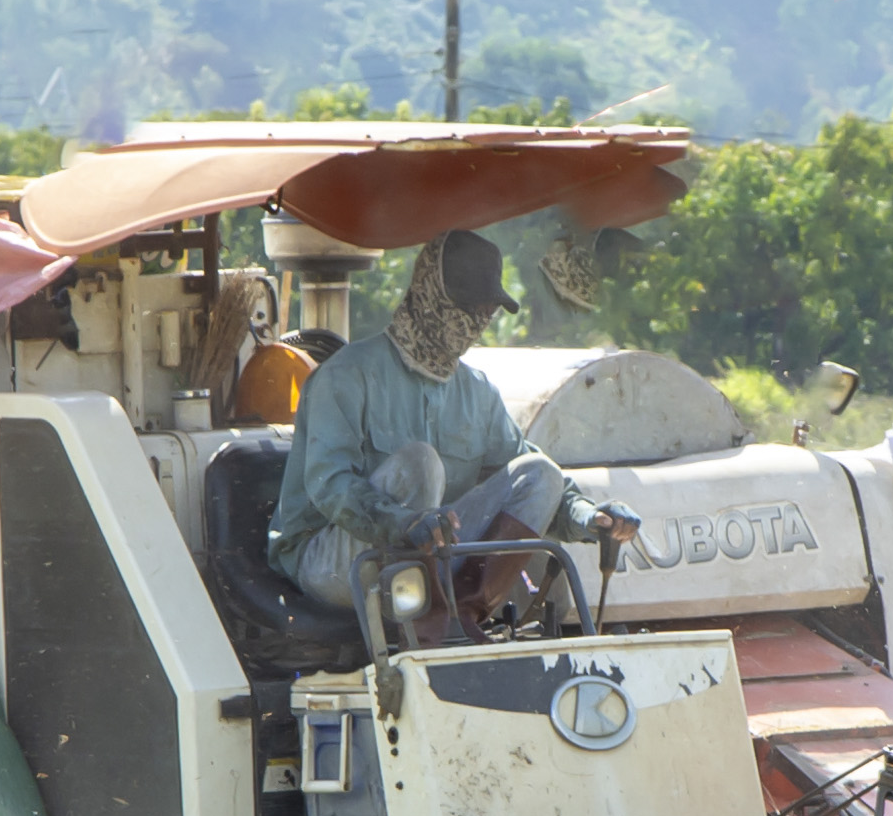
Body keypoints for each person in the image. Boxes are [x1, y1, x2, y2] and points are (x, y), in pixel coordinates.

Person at [269, 228, 636, 619]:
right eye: (466, 306)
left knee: (540, 473)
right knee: (421, 463)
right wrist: (404, 524)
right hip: (332, 558)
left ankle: (460, 618)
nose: (476, 321)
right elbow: (330, 486)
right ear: (430, 294)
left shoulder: (477, 393)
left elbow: (532, 483)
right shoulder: (346, 375)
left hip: (428, 564)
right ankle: (434, 609)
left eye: (485, 310)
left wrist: (588, 517)